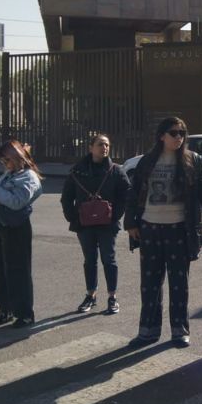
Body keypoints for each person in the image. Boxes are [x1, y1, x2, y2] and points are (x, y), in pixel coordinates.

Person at [124, 117, 202, 348]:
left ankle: (179, 330)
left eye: (182, 133)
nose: (179, 137)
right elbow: (134, 194)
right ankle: (148, 331)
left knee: (178, 283)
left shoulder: (192, 160)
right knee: (150, 282)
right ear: (161, 135)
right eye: (174, 133)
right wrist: (131, 223)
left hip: (179, 229)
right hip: (150, 228)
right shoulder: (147, 161)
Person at [61, 133, 131, 315]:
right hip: (84, 225)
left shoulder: (116, 171)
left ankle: (112, 297)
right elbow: (66, 197)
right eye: (100, 144)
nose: (104, 148)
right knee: (89, 260)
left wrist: (115, 215)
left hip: (108, 225)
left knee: (109, 259)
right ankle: (90, 295)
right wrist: (73, 218)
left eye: (107, 145)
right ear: (90, 148)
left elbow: (126, 193)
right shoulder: (78, 170)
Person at [0, 141, 43, 328]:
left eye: (6, 159)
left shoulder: (29, 177)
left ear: (16, 158)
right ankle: (5, 309)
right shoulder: (9, 174)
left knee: (18, 271)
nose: (4, 163)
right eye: (2, 160)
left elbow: (17, 202)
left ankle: (24, 313)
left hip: (16, 228)